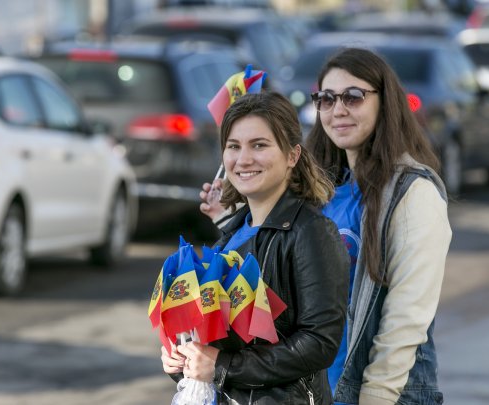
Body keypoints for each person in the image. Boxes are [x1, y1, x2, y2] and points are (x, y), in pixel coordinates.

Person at [200, 47, 452, 405]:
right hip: (320, 388)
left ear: (385, 102)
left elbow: (407, 315)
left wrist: (376, 396)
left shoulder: (413, 192)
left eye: (353, 97)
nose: (338, 110)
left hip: (386, 392)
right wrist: (229, 221)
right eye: (326, 98)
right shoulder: (327, 190)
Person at [162, 91, 350, 404]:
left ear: (292, 156)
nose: (243, 159)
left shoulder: (313, 232)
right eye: (233, 146)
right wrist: (185, 360)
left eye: (259, 145)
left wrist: (221, 366)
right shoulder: (232, 231)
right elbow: (225, 340)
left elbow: (319, 343)